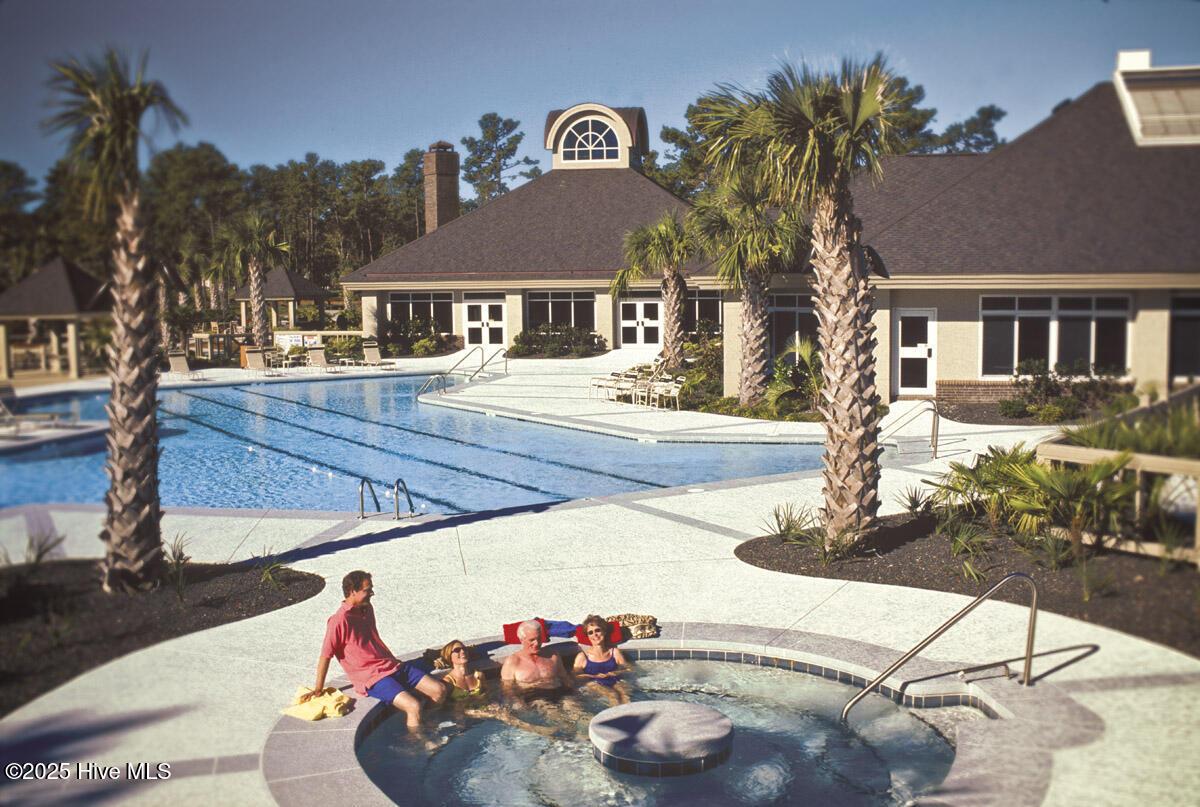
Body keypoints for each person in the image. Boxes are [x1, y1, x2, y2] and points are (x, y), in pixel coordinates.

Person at [301, 571, 446, 727]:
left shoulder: (367, 608)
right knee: (413, 706)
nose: (372, 593)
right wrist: (318, 688)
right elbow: (325, 655)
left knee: (440, 690)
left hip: (392, 665)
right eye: (367, 590)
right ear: (352, 592)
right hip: (372, 677)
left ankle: (430, 726)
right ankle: (418, 739)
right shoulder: (339, 621)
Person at [500, 619, 574, 700]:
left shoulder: (553, 656)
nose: (537, 643)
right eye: (532, 640)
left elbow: (564, 678)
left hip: (556, 694)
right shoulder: (512, 662)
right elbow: (508, 690)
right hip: (530, 699)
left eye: (539, 638)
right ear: (521, 640)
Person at [573, 614, 631, 704]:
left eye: (597, 630)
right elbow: (575, 676)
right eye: (590, 632)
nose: (595, 635)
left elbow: (629, 668)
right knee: (612, 695)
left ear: (604, 632)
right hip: (594, 683)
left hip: (615, 680)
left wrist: (615, 672)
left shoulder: (614, 652)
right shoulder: (582, 656)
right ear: (588, 636)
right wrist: (594, 676)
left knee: (625, 696)